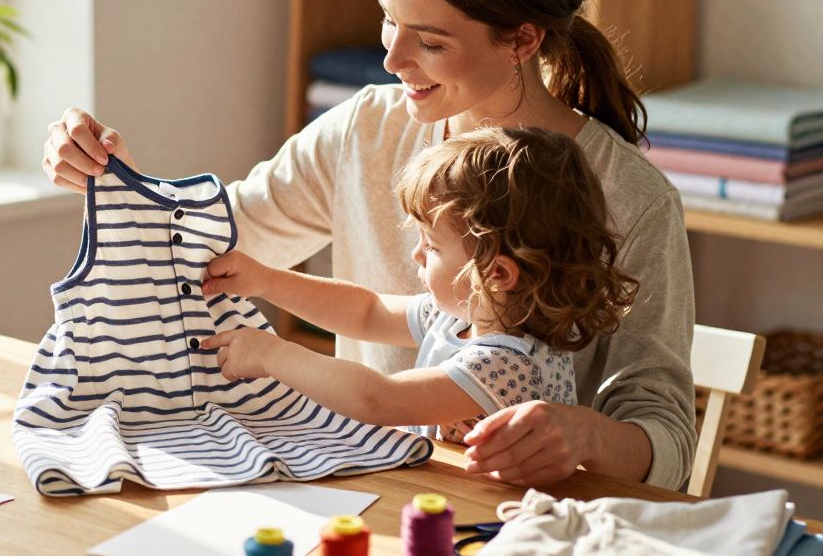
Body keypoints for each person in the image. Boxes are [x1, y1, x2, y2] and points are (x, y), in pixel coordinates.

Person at [40, 0, 695, 489]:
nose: (390, 59)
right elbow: (212, 248)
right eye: (389, 20)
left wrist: (585, 436)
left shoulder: (629, 196)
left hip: (505, 516)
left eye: (430, 42)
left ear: (521, 38)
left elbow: (664, 438)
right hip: (361, 484)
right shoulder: (366, 129)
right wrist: (111, 176)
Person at [199, 127, 638, 447]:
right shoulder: (464, 316)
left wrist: (274, 355)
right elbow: (366, 311)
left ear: (498, 275)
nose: (416, 256)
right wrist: (267, 280)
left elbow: (378, 400)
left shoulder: (510, 363)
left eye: (430, 245)